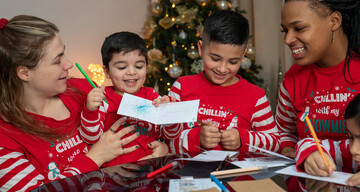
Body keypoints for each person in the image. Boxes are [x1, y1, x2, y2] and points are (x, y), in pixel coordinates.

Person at [0, 15, 142, 191]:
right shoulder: (5, 138)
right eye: (57, 60)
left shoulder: (84, 91)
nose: (68, 64)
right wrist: (94, 157)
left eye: (64, 52)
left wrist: (159, 149)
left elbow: (136, 126)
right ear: (24, 73)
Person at [167, 10, 280, 154]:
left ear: (243, 54)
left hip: (240, 176)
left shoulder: (256, 96)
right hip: (191, 176)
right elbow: (165, 142)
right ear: (201, 49)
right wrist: (197, 138)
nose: (222, 69)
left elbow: (275, 143)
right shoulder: (182, 87)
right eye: (215, 59)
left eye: (233, 61)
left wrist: (243, 138)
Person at [275, 0, 360, 158]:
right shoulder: (293, 79)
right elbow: (284, 135)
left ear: (334, 21)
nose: (288, 40)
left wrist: (314, 149)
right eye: (285, 30)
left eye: (299, 28)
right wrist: (291, 151)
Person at [79, 31, 171, 166]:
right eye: (122, 67)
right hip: (115, 175)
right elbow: (90, 138)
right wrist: (90, 110)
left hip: (149, 168)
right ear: (107, 72)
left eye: (139, 66)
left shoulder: (151, 95)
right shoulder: (103, 98)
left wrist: (167, 110)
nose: (132, 72)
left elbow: (167, 134)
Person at [295, 93, 360, 187]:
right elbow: (306, 143)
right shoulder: (345, 151)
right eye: (351, 137)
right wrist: (312, 153)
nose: (353, 149)